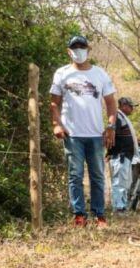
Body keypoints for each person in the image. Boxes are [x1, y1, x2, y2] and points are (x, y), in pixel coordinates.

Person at [49, 35, 117, 228]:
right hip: (72, 135)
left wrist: (110, 126)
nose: (78, 50)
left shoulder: (100, 74)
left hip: (96, 135)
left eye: (82, 47)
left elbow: (111, 103)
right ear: (68, 51)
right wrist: (57, 124)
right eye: (74, 47)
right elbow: (54, 102)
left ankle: (99, 215)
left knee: (97, 176)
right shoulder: (62, 73)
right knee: (75, 175)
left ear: (89, 49)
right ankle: (79, 215)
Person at [107, 96, 139, 214]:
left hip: (125, 156)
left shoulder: (122, 117)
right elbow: (111, 135)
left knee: (125, 182)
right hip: (120, 155)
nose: (132, 109)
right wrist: (110, 152)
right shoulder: (117, 117)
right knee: (119, 182)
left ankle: (122, 206)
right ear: (124, 106)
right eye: (131, 106)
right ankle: (119, 208)